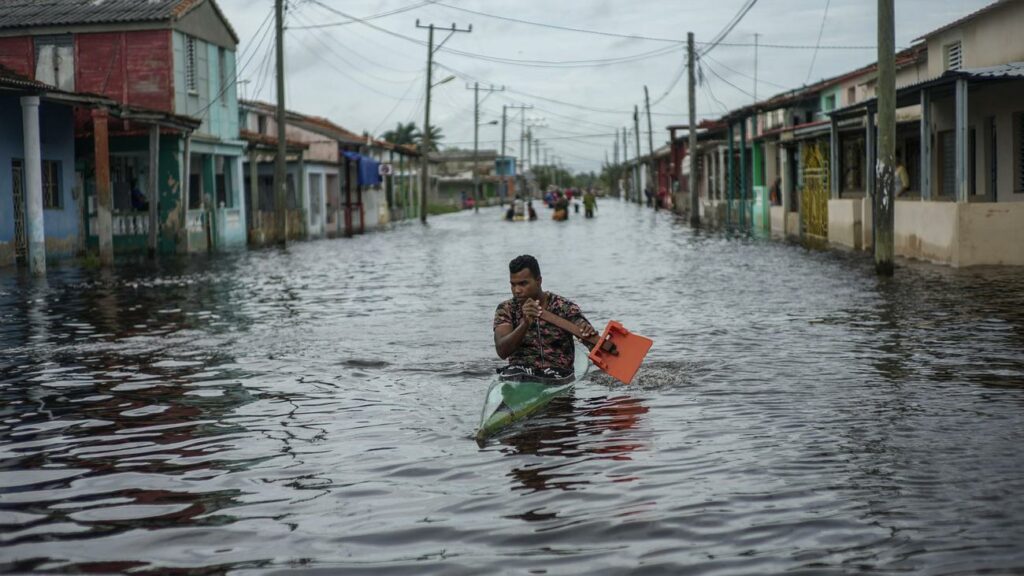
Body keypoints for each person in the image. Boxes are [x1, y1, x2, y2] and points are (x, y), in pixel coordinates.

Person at [493, 255, 597, 382]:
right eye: (513, 285)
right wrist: (524, 324)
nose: (517, 290)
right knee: (513, 372)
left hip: (558, 373)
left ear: (538, 281)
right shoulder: (506, 309)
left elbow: (587, 334)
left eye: (523, 284)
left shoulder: (563, 307)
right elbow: (502, 351)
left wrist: (586, 331)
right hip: (519, 374)